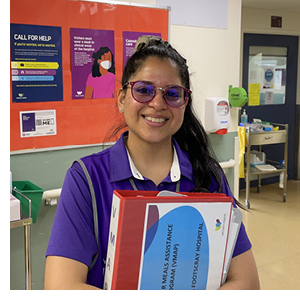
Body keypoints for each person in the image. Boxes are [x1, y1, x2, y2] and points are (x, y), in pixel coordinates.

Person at [45, 36, 260, 290]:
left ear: (184, 104)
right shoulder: (87, 179)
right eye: (144, 90)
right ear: (122, 99)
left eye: (172, 94)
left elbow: (247, 282)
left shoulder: (208, 176)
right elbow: (61, 287)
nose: (157, 104)